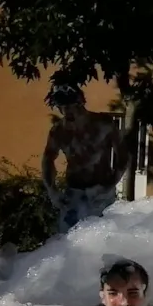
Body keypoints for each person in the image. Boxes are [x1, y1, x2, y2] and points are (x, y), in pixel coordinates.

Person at [41, 84, 128, 234]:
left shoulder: (103, 124)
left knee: (102, 239)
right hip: (74, 194)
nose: (66, 111)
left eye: (71, 107)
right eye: (62, 108)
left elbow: (124, 155)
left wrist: (110, 185)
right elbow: (48, 159)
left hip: (101, 192)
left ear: (80, 104)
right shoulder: (59, 131)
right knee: (68, 242)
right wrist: (52, 191)